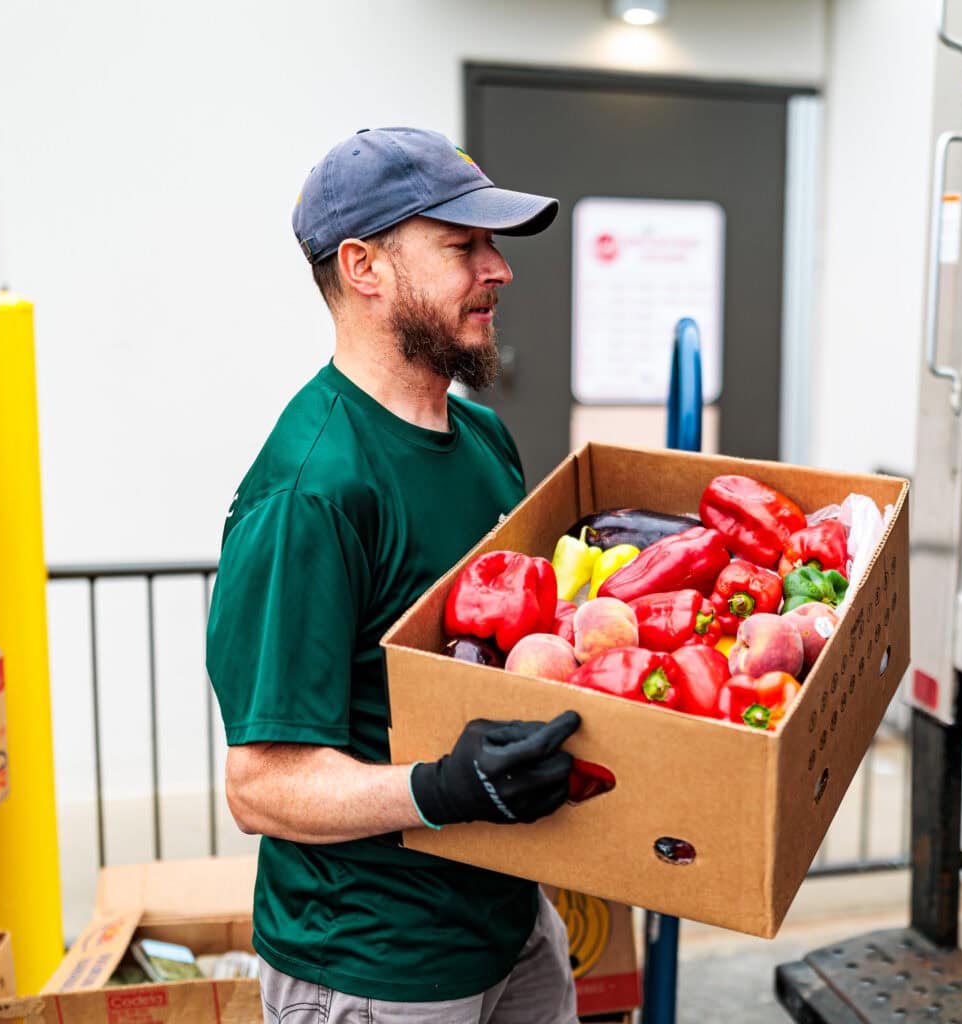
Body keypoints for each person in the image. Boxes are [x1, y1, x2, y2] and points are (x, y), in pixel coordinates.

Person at [205, 127, 582, 1024]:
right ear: (364, 266)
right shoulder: (312, 491)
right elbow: (259, 783)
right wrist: (436, 787)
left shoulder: (484, 439)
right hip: (374, 961)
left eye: (492, 245)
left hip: (510, 918)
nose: (499, 270)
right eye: (463, 246)